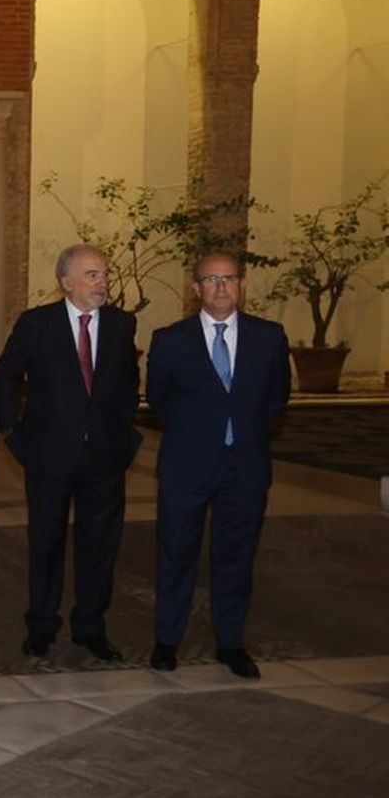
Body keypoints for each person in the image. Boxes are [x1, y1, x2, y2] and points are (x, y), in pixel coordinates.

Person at [0, 243, 141, 661]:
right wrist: (13, 435)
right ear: (65, 282)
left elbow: (129, 381)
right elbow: (4, 377)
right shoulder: (37, 323)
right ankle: (41, 624)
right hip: (48, 456)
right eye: (92, 274)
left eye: (104, 274)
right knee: (46, 542)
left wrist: (124, 434)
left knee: (100, 546)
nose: (102, 282)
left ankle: (91, 626)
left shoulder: (120, 324)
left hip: (106, 457)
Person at [145, 253, 290, 679]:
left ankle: (231, 643)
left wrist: (239, 432)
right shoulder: (170, 339)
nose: (222, 287)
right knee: (176, 554)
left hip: (244, 467)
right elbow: (159, 399)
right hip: (186, 467)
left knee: (236, 558)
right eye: (212, 280)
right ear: (196, 290)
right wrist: (200, 432)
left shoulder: (269, 337)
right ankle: (167, 640)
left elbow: (277, 398)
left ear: (242, 285)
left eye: (229, 279)